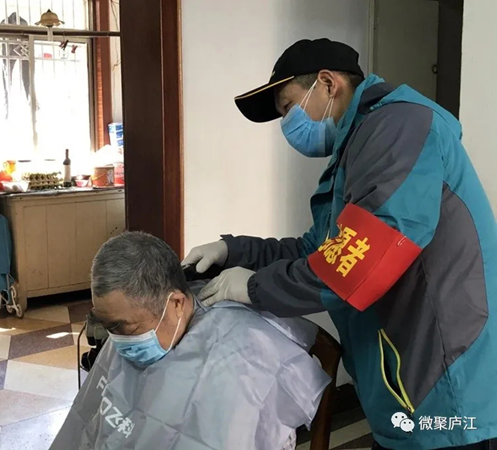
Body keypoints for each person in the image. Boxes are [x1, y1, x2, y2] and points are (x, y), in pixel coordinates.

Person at [183, 38, 497, 450]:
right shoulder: (359, 146)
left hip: (446, 378)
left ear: (328, 84)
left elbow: (362, 260)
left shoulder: (398, 128)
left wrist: (255, 287)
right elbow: (319, 251)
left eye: (288, 107)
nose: (287, 125)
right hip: (405, 375)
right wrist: (234, 251)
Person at [50, 232, 330, 450]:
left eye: (126, 327)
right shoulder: (130, 319)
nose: (118, 339)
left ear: (176, 304)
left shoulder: (243, 356)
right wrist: (233, 249)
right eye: (110, 326)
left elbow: (335, 266)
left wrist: (262, 286)